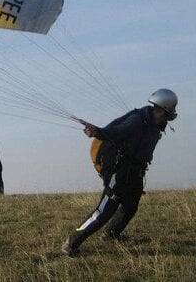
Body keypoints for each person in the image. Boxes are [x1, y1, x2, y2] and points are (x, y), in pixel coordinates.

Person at [62, 88, 178, 257]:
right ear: (163, 108)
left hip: (136, 172)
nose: (174, 111)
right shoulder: (137, 121)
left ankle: (111, 235)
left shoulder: (156, 122)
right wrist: (97, 132)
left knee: (131, 206)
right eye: (173, 108)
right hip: (120, 171)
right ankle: (71, 242)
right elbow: (115, 133)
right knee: (105, 211)